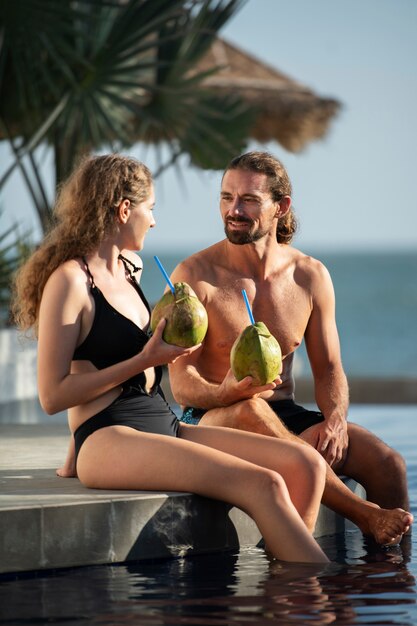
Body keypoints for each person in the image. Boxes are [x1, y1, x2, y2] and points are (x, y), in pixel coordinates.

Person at [12, 153, 330, 564]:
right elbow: (53, 396)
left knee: (305, 463)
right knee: (263, 484)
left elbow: (101, 356)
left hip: (161, 422)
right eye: (151, 209)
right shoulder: (70, 282)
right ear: (125, 209)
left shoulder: (131, 268)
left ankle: (280, 590)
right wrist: (146, 359)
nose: (154, 221)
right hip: (109, 436)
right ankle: (311, 595)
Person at [168, 150, 414, 547]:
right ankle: (365, 516)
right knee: (250, 408)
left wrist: (334, 420)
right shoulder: (196, 276)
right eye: (226, 197)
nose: (234, 210)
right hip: (209, 416)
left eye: (248, 199)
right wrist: (225, 392)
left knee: (389, 464)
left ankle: (392, 579)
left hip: (284, 413)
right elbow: (180, 383)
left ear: (280, 207)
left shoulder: (309, 276)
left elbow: (330, 367)